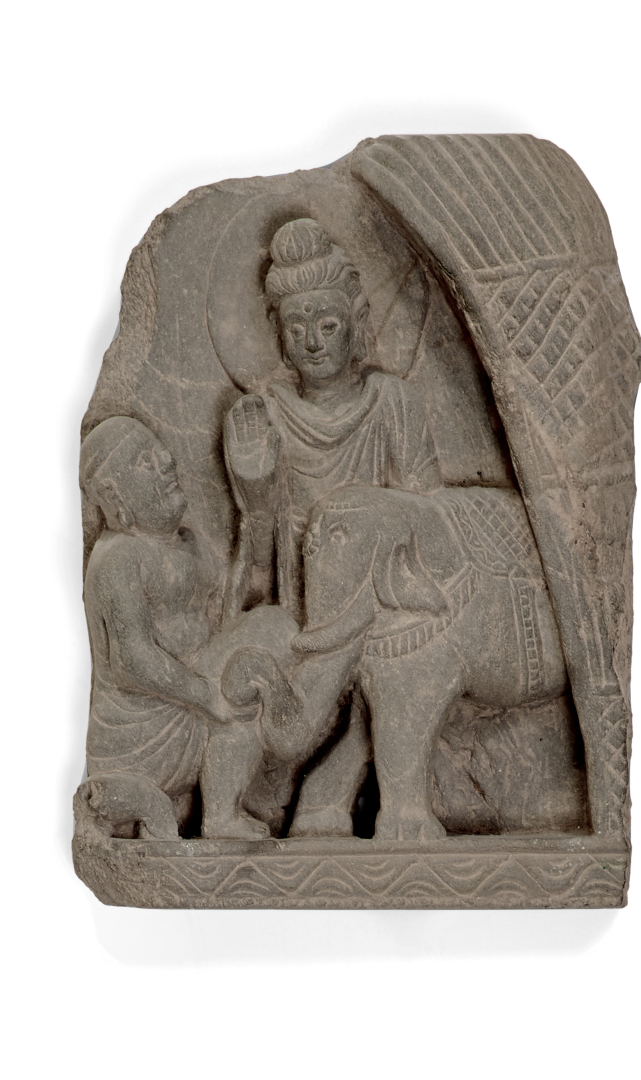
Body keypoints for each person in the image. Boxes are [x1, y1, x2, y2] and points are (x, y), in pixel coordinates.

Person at [223, 218, 442, 834]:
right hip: (306, 608)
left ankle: (341, 788)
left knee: (406, 653)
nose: (313, 343)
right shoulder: (265, 414)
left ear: (356, 324)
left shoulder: (393, 402)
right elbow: (255, 567)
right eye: (296, 329)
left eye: (327, 325)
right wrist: (256, 490)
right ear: (278, 336)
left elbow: (430, 516)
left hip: (384, 597)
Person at [80, 415, 301, 840]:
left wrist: (255, 505)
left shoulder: (188, 543)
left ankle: (240, 791)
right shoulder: (119, 558)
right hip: (145, 730)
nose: (166, 460)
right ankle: (220, 814)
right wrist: (206, 696)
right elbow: (132, 659)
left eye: (159, 450)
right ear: (113, 495)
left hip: (190, 699)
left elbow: (236, 607)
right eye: (145, 461)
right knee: (245, 670)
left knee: (272, 629)